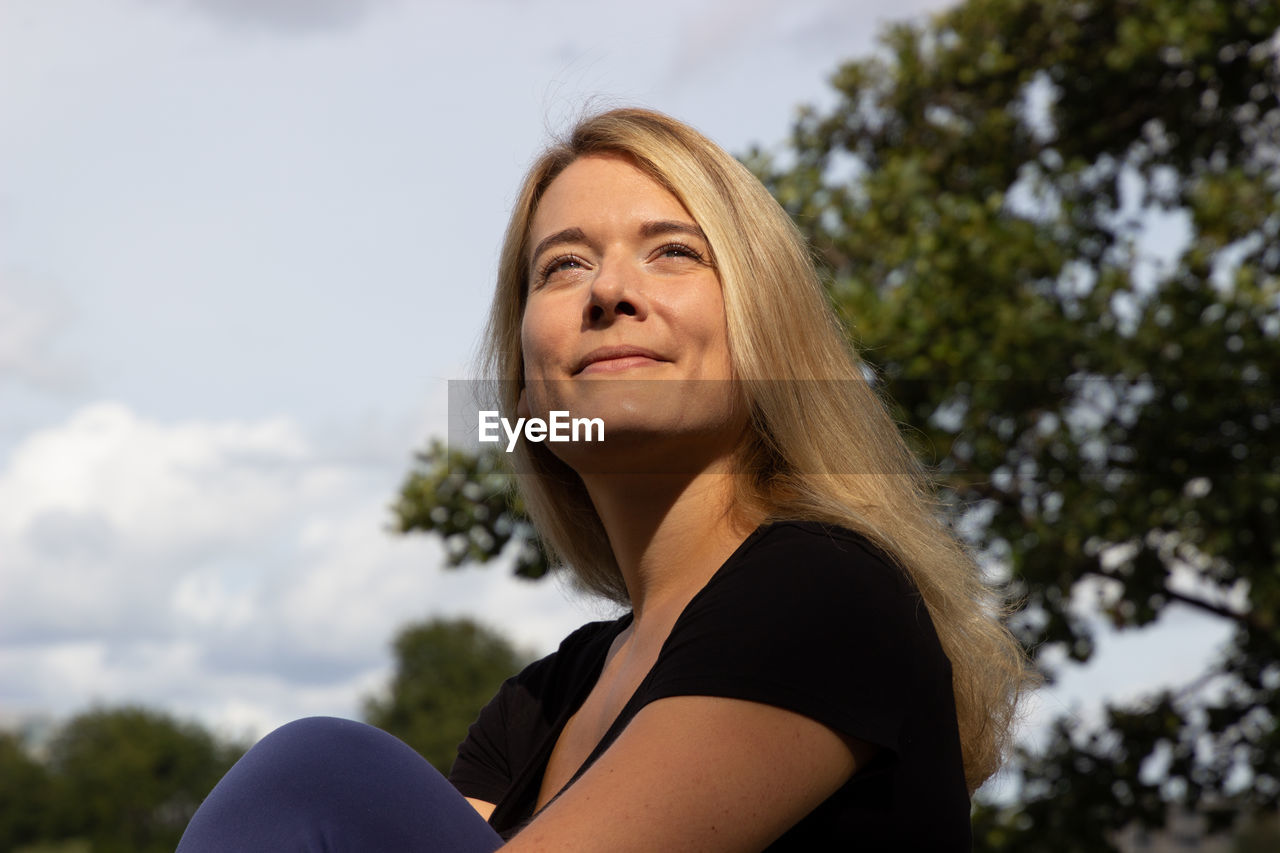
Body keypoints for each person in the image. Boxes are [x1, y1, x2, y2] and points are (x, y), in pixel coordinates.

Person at [178, 108, 1034, 852]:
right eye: (562, 266)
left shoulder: (826, 590)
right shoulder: (540, 702)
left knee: (317, 771)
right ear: (524, 374)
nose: (612, 291)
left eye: (672, 252)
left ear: (766, 327)